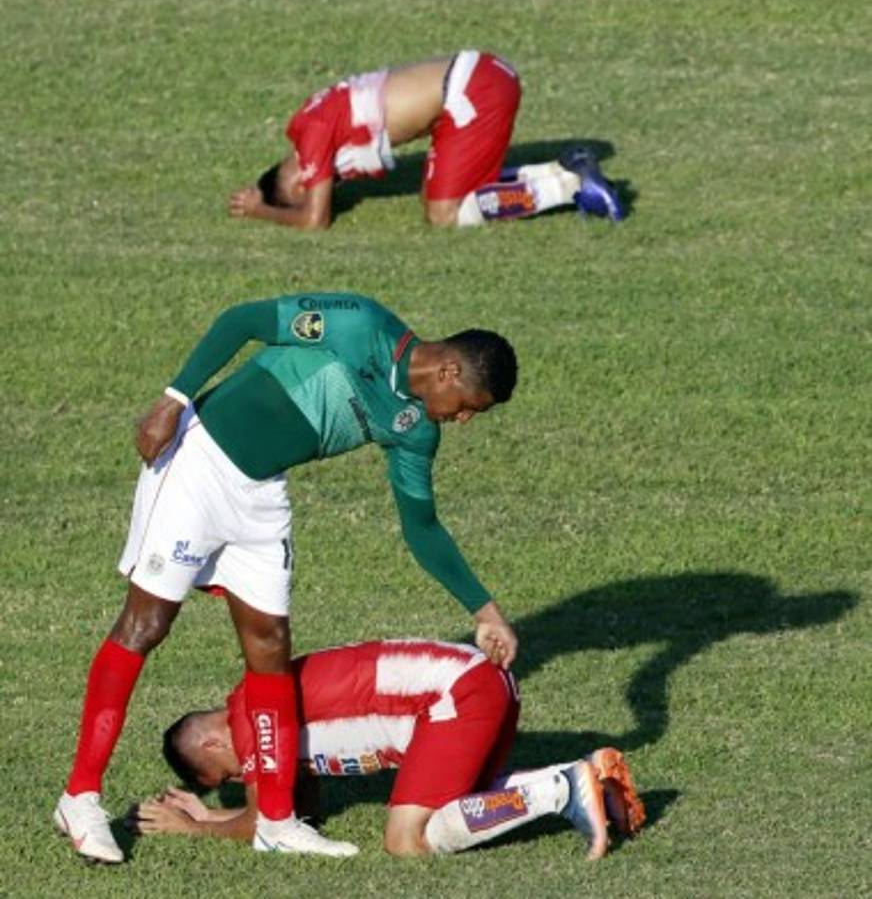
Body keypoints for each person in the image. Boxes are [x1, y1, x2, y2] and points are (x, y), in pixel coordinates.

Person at [55, 293, 520, 864]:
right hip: (199, 462)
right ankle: (80, 797)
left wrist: (484, 609)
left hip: (260, 495)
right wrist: (173, 399)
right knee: (146, 624)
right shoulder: (360, 325)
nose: (465, 419)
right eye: (469, 405)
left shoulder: (416, 431)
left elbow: (421, 527)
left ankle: (276, 820)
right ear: (448, 371)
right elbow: (243, 321)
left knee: (271, 647)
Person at [132, 638, 645, 857]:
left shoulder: (251, 723)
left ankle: (558, 791)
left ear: (213, 740)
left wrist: (195, 828)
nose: (241, 779)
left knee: (406, 840)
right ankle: (586, 779)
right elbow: (294, 813)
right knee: (455, 810)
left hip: (455, 694)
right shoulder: (259, 705)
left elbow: (267, 823)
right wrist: (215, 818)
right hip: (477, 683)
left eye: (225, 775)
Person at [229, 51, 624, 230]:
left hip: (473, 90)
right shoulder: (310, 122)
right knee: (450, 195)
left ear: (301, 182)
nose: (327, 191)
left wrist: (259, 211)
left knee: (444, 215)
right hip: (474, 82)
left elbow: (316, 221)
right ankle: (566, 166)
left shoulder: (312, 139)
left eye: (317, 190)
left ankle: (571, 186)